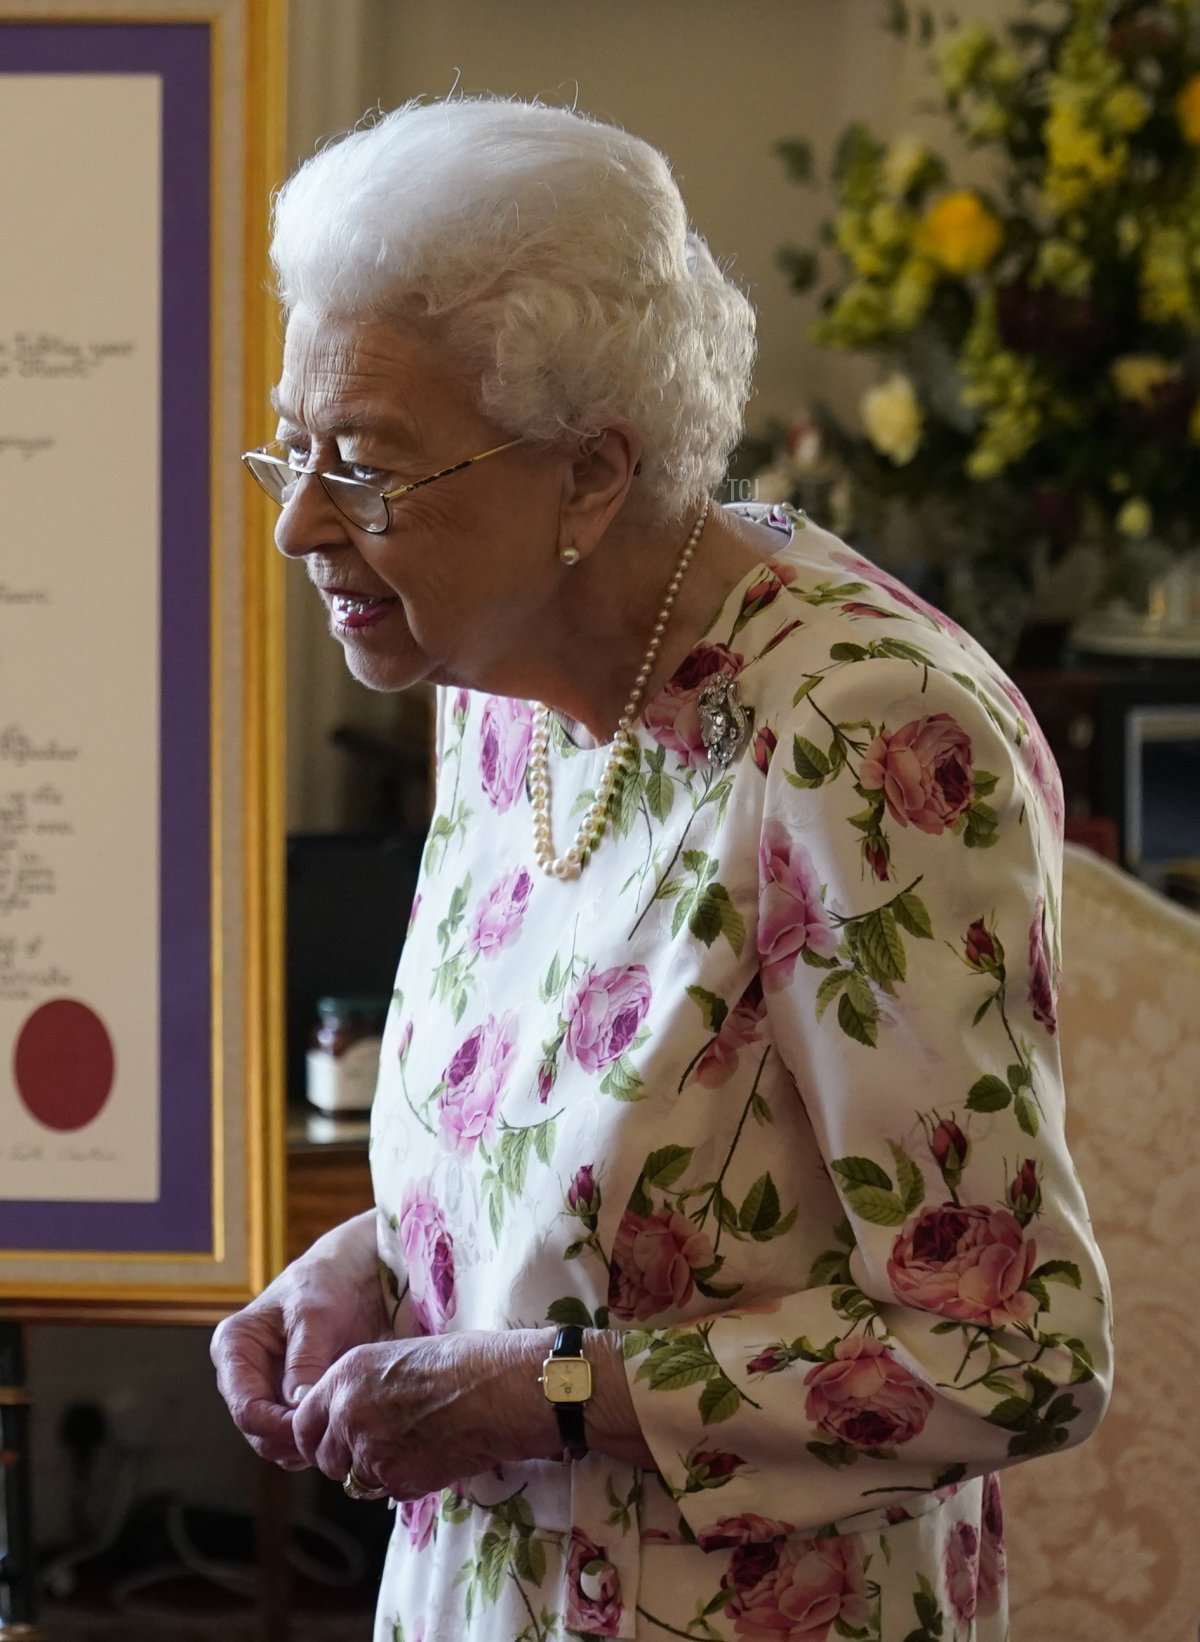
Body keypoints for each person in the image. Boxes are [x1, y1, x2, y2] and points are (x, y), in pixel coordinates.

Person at [212, 95, 1112, 1642]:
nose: (300, 521)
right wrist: (386, 1263)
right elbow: (615, 1159)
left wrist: (542, 1391)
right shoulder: (495, 684)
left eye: (363, 465)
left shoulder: (862, 737)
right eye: (292, 447)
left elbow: (1021, 1349)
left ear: (588, 475)